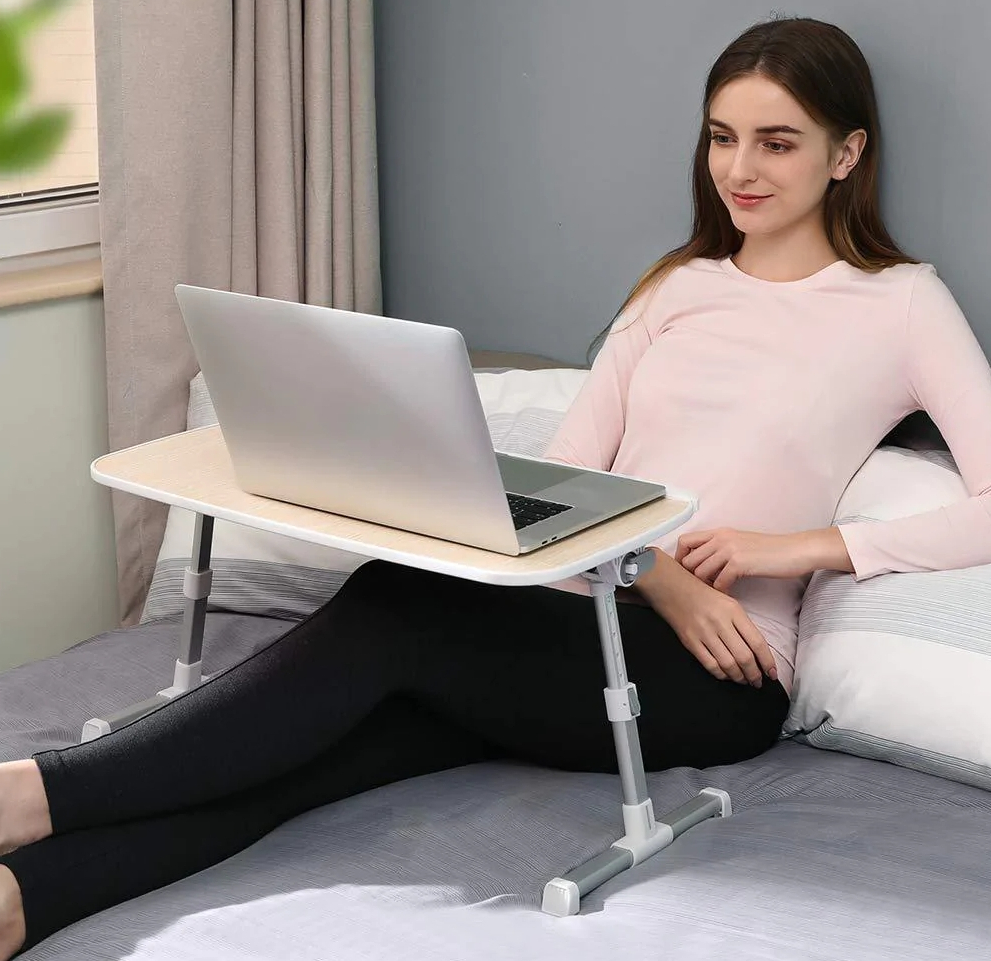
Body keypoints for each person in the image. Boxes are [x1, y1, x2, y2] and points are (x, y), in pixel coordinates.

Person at [2, 14, 991, 956]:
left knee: (397, 601)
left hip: (712, 678)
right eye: (721, 137)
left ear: (845, 153)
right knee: (318, 752)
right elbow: (564, 480)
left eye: (777, 142)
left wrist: (799, 549)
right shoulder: (675, 287)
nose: (738, 168)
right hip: (577, 617)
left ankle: (33, 791)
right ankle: (27, 899)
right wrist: (652, 565)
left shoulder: (900, 304)